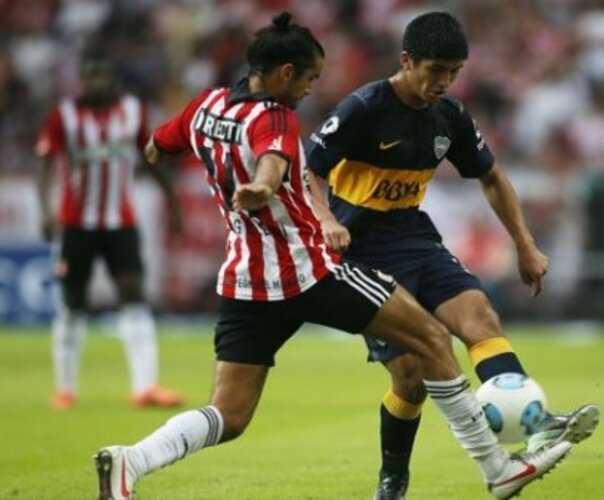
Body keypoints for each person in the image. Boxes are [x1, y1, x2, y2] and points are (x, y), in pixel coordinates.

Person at [93, 12, 572, 500]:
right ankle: (496, 469)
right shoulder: (277, 118)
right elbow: (276, 158)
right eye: (309, 78)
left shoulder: (205, 107)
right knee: (431, 339)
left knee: (228, 414)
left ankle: (133, 461)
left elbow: (156, 147)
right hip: (309, 270)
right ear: (285, 73)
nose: (309, 90)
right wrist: (263, 184)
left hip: (246, 278)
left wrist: (164, 159)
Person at [304, 11, 601, 499]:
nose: (444, 82)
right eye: (436, 70)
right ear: (407, 61)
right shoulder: (364, 107)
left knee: (480, 315)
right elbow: (309, 168)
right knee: (411, 377)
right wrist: (327, 221)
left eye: (454, 73)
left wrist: (524, 245)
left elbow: (492, 176)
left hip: (415, 239)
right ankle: (393, 477)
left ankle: (537, 423)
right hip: (361, 253)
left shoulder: (450, 115)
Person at [35, 47, 185, 410]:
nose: (97, 82)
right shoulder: (65, 116)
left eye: (103, 76)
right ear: (82, 80)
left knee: (133, 294)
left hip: (121, 222)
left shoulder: (132, 112)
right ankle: (65, 389)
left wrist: (173, 201)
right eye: (91, 76)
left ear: (113, 80)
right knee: (74, 302)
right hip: (77, 224)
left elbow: (151, 158)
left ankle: (145, 386)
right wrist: (46, 210)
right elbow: (44, 165)